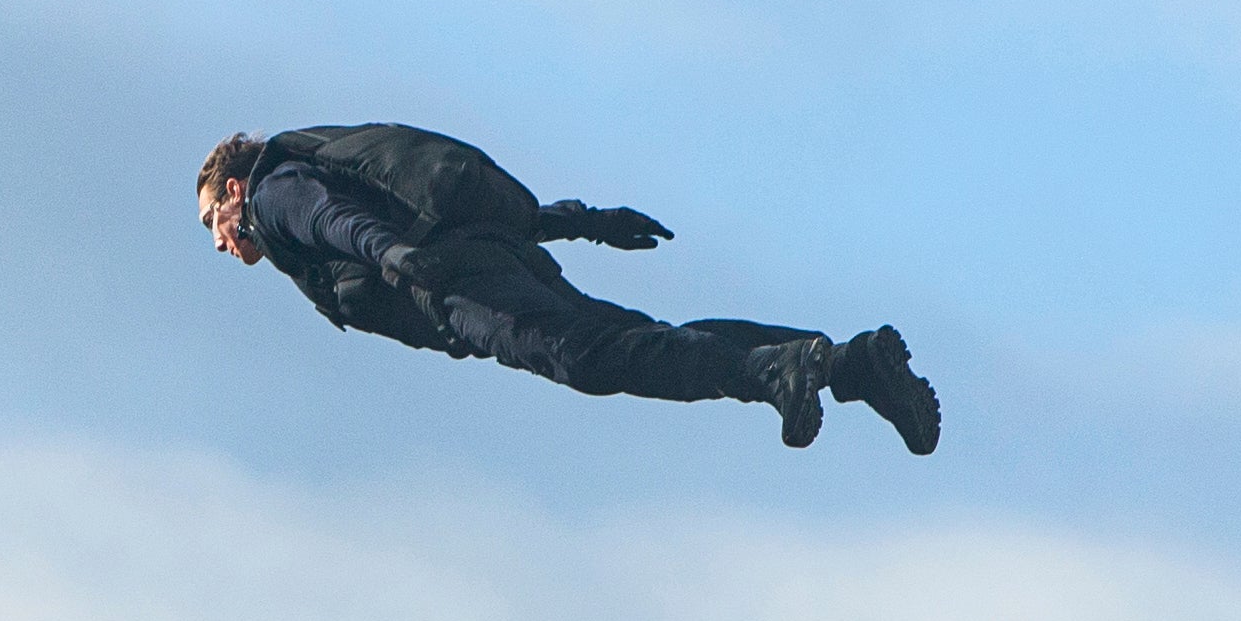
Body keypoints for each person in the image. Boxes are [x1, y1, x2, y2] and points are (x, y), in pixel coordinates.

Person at [197, 125, 937, 453]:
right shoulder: (314, 162)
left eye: (212, 222)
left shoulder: (274, 195)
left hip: (452, 286)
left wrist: (391, 257)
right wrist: (582, 224)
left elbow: (336, 222)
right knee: (638, 336)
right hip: (488, 258)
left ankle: (771, 370)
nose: (221, 242)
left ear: (233, 188)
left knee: (589, 358)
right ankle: (848, 365)